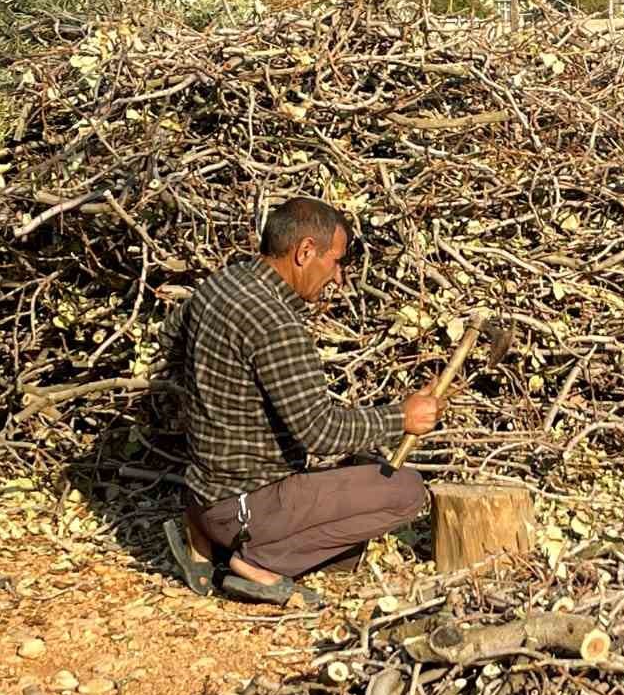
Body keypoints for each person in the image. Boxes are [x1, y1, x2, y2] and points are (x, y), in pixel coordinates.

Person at [158, 197, 444, 605]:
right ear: (305, 251)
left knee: (363, 474)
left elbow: (170, 338)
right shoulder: (277, 324)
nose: (339, 278)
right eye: (336, 261)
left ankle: (204, 533)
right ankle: (248, 562)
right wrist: (401, 417)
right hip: (246, 508)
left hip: (204, 493)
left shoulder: (224, 282)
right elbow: (321, 431)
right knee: (406, 489)